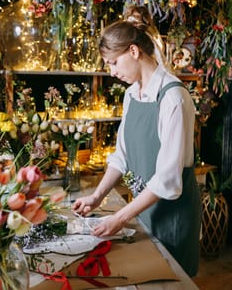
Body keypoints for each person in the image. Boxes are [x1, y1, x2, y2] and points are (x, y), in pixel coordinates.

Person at [72, 20, 202, 277]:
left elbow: (167, 180)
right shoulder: (131, 94)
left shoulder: (174, 98)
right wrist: (97, 196)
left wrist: (119, 218)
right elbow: (122, 156)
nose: (111, 71)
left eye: (113, 62)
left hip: (173, 218)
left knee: (171, 282)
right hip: (144, 211)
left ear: (133, 51)